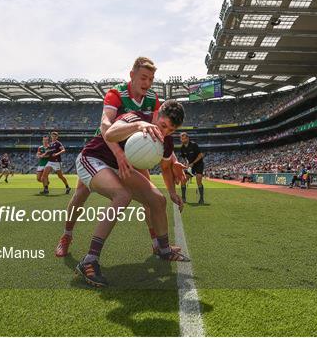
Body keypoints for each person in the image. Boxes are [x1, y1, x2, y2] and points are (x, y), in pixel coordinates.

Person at [55, 57, 185, 257]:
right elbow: (105, 125)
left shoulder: (153, 99)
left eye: (151, 79)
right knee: (80, 195)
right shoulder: (116, 93)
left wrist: (172, 159)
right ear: (132, 75)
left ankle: (157, 245)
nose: (147, 83)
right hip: (106, 147)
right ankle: (67, 236)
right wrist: (118, 153)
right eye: (143, 77)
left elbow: (161, 131)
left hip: (135, 148)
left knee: (152, 198)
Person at [74, 100, 189, 287]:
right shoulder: (136, 117)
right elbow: (110, 133)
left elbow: (166, 167)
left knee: (158, 201)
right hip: (93, 158)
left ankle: (164, 249)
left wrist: (172, 192)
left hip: (121, 167)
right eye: (163, 125)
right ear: (157, 114)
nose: (165, 132)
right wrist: (138, 126)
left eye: (171, 130)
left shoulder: (165, 140)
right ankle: (89, 259)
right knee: (122, 195)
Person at [179, 132, 205, 204]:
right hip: (190, 165)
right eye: (182, 138)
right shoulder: (182, 148)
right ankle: (183, 198)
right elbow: (184, 158)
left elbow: (200, 155)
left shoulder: (194, 145)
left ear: (188, 138)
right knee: (183, 180)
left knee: (198, 179)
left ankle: (201, 199)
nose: (183, 140)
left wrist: (193, 163)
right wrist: (187, 163)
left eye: (184, 138)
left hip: (198, 164)